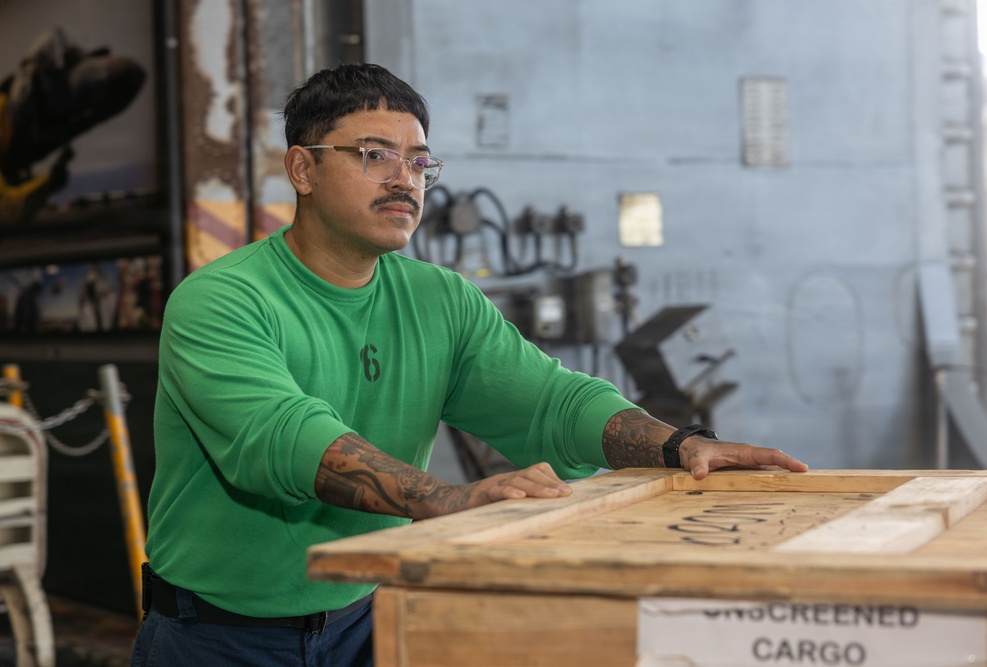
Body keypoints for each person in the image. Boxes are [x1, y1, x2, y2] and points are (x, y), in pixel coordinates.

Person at [130, 63, 807, 667]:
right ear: (302, 169)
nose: (405, 179)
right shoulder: (221, 299)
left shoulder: (438, 298)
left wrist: (681, 445)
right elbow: (285, 438)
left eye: (421, 163)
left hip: (365, 618)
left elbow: (550, 401)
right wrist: (452, 502)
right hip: (216, 637)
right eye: (375, 155)